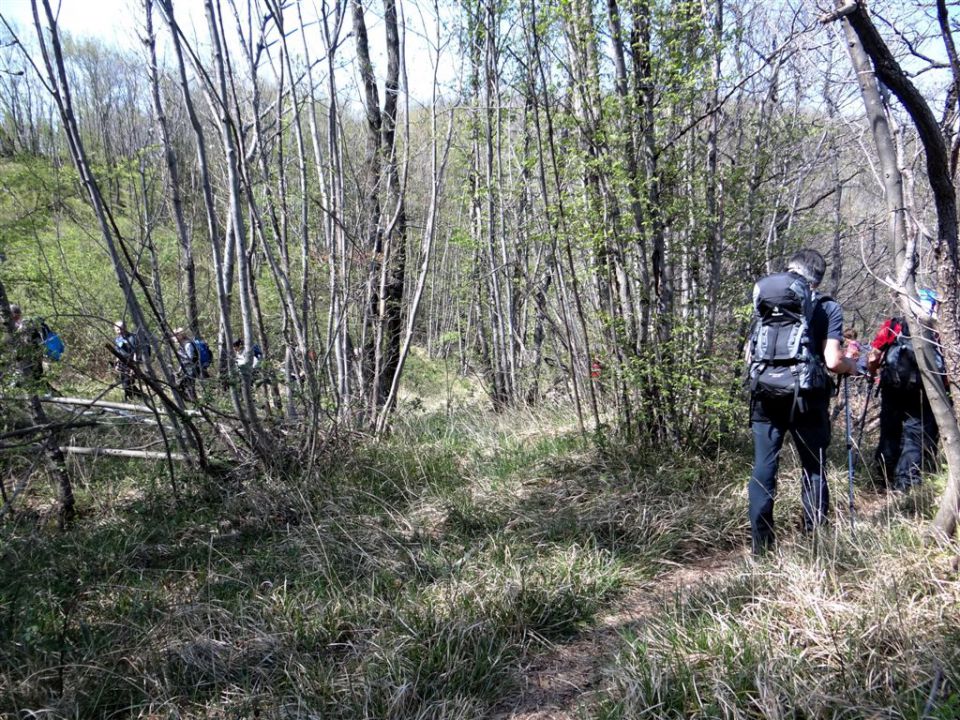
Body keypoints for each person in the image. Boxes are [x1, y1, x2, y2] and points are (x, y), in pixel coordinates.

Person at [746, 249, 859, 554]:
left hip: (764, 395)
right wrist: (852, 365)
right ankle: (815, 540)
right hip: (807, 399)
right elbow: (833, 362)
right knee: (814, 466)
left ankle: (761, 547)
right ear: (817, 279)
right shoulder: (827, 308)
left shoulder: (767, 305)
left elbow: (752, 351)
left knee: (764, 467)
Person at [865, 301, 942, 492]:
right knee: (915, 436)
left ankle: (883, 476)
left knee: (889, 431)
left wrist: (872, 373)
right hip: (925, 392)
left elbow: (874, 356)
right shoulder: (940, 330)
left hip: (892, 388)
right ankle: (905, 485)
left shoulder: (893, 325)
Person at [113, 320, 145, 401]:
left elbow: (135, 353)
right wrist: (116, 364)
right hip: (122, 364)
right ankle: (132, 398)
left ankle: (137, 397)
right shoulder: (117, 339)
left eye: (121, 329)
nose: (120, 331)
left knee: (128, 383)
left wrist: (133, 367)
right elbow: (118, 352)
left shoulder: (132, 337)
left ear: (125, 327)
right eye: (117, 330)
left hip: (131, 363)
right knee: (125, 383)